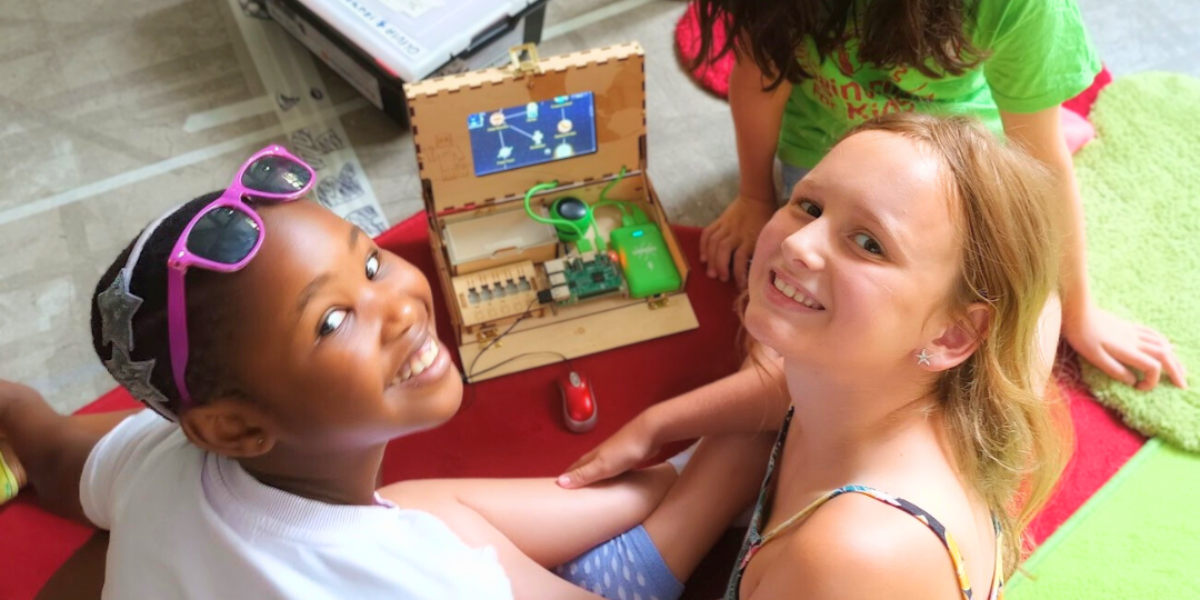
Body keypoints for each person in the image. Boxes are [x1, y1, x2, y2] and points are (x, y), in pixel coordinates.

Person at [0, 145, 766, 600]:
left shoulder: (165, 460)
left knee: (417, 503)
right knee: (745, 451)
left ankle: (671, 482)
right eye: (331, 321)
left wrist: (14, 411)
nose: (398, 303)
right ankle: (695, 485)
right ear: (232, 427)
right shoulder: (413, 580)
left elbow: (60, 456)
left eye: (368, 261)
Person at [693, 0, 1186, 391]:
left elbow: (1040, 156)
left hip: (952, 161)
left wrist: (1079, 312)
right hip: (829, 154)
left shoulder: (1024, 7)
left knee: (1021, 318)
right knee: (788, 352)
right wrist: (755, 198)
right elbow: (760, 78)